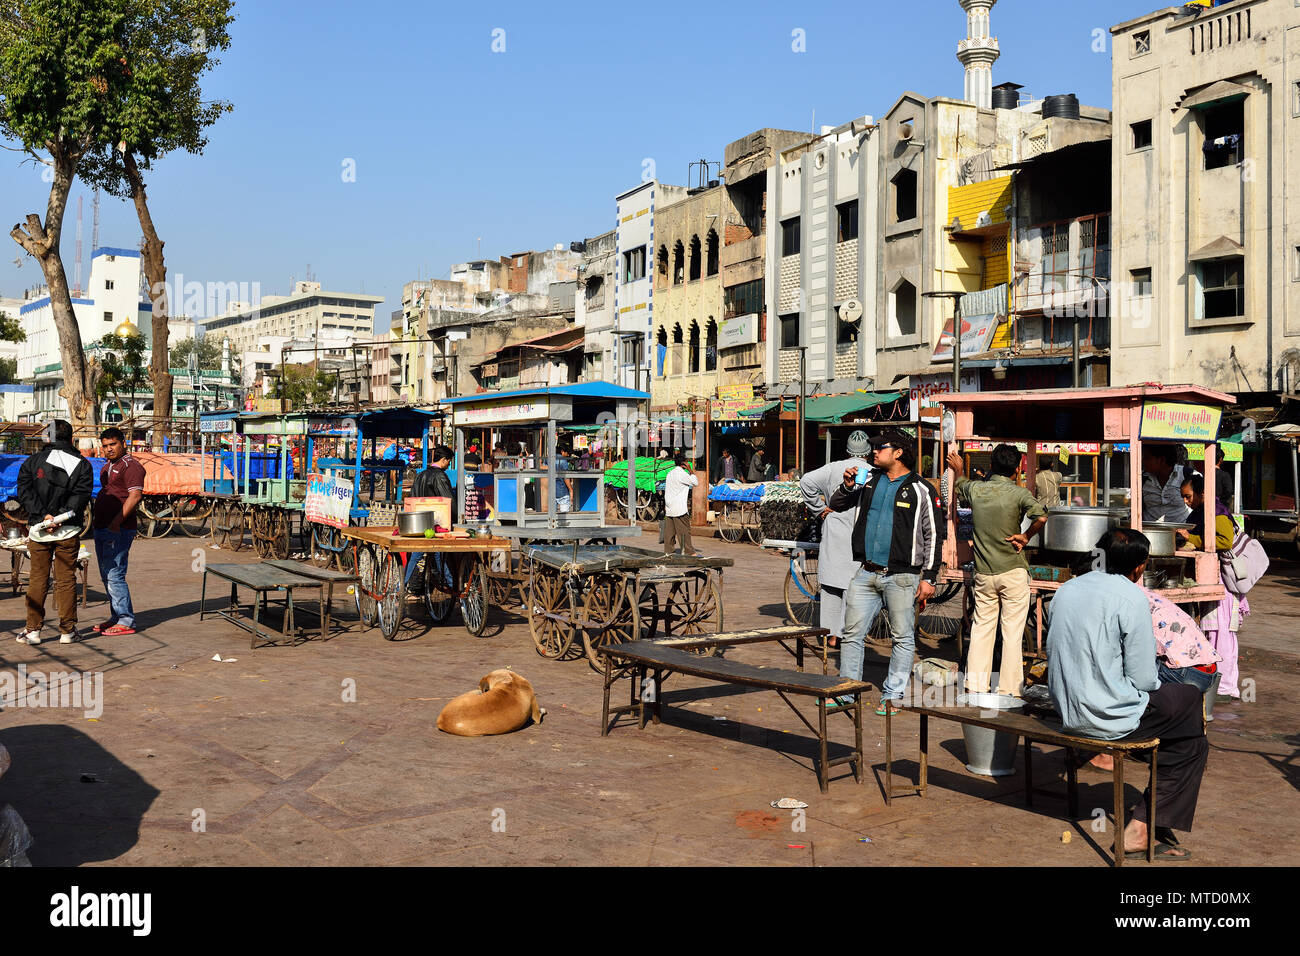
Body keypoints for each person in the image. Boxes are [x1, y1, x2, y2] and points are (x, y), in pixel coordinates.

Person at [1046, 528, 1208, 860]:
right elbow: (1145, 679)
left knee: (1187, 736)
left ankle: (1151, 813)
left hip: (1065, 708)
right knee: (1190, 707)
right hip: (1106, 716)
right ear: (1140, 566)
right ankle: (1144, 824)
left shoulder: (1067, 589)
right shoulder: (1131, 596)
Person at [828, 429, 944, 715]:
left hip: (902, 576)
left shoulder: (921, 489)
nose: (874, 451)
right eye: (874, 447)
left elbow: (934, 534)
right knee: (852, 633)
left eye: (881, 447)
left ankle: (893, 695)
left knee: (902, 637)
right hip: (866, 573)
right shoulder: (868, 480)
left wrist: (929, 578)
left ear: (899, 453)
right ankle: (847, 690)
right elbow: (836, 504)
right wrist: (846, 485)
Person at [947, 444, 1047, 697]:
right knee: (1012, 633)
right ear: (1017, 470)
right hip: (1012, 571)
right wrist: (1025, 536)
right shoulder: (1019, 493)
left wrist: (959, 469)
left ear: (991, 466)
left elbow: (960, 485)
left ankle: (976, 685)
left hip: (984, 573)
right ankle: (1009, 690)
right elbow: (1041, 517)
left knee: (981, 628)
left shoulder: (976, 489)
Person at [15, 420, 92, 645]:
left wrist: (43, 517)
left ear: (47, 438)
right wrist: (58, 517)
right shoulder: (83, 464)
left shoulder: (32, 462)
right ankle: (68, 631)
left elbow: (24, 491)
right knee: (66, 579)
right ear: (70, 438)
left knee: (38, 579)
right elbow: (80, 496)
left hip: (39, 531)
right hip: (67, 530)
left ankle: (32, 631)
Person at [798, 430, 871, 651]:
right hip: (860, 534)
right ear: (869, 452)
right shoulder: (873, 472)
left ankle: (830, 637)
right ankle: (847, 636)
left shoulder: (832, 468)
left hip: (832, 532)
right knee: (854, 587)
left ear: (847, 450)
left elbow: (806, 482)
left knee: (830, 587)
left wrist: (820, 510)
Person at [1177, 473, 1247, 701]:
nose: (1186, 502)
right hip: (1215, 578)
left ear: (1202, 493)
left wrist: (1192, 539)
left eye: (1188, 497)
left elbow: (1224, 541)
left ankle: (1225, 687)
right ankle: (1218, 682)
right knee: (1215, 631)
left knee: (1222, 632)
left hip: (1225, 582)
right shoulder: (1203, 511)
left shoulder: (1217, 513)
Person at [92, 427, 146, 636]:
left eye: (113, 444)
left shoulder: (131, 466)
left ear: (123, 443)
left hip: (119, 530)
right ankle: (116, 616)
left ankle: (126, 619)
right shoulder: (107, 467)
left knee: (115, 574)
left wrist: (116, 522)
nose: (109, 449)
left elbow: (135, 497)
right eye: (105, 446)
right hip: (102, 528)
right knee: (106, 575)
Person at [1141, 444, 1191, 522]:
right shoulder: (1141, 479)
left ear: (1161, 460)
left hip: (1182, 531)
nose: (1143, 461)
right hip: (1150, 532)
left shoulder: (1188, 476)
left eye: (1147, 458)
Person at [663, 452, 700, 556]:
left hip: (670, 507)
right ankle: (689, 552)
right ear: (683, 463)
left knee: (669, 533)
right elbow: (695, 482)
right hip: (679, 508)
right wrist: (690, 470)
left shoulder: (670, 474)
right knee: (684, 531)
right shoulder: (682, 474)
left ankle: (669, 552)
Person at [553, 446, 574, 514]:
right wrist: (571, 490)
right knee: (564, 518)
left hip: (551, 491)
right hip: (562, 491)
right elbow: (566, 477)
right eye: (567, 453)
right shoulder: (563, 460)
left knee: (552, 516)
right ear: (562, 451)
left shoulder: (547, 459)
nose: (568, 455)